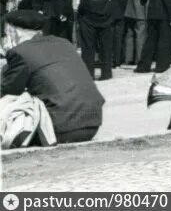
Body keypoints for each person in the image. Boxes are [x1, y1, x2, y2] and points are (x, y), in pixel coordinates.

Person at [2, 10, 105, 144]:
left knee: (11, 103)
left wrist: (5, 64)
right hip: (91, 124)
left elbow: (8, 89)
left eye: (5, 34)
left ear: (13, 33)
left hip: (57, 129)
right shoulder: (64, 43)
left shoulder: (19, 52)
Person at [77, 0, 121, 80]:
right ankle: (106, 73)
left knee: (88, 46)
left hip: (89, 16)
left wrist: (80, 12)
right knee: (106, 46)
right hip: (106, 15)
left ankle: (88, 74)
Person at [102, 0, 129, 75]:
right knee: (118, 38)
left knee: (107, 38)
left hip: (107, 13)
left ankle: (107, 60)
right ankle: (117, 61)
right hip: (119, 13)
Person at [123, 0, 147, 68]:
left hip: (128, 11)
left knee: (129, 35)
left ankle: (128, 58)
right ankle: (139, 58)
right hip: (140, 11)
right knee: (140, 35)